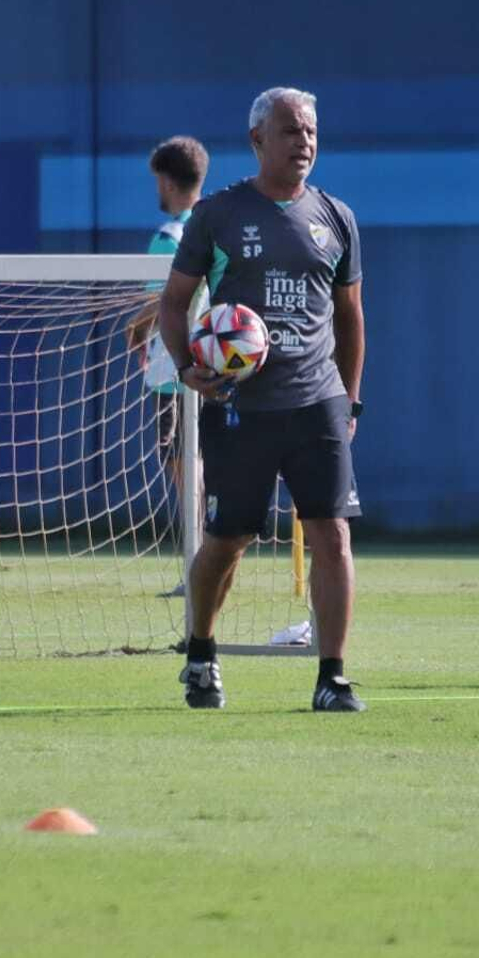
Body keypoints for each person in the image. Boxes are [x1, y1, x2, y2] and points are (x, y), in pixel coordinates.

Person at [156, 87, 366, 712]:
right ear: (257, 140)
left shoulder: (337, 217)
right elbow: (174, 303)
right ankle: (200, 654)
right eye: (290, 131)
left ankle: (332, 677)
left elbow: (350, 316)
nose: (304, 142)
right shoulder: (218, 214)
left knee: (332, 534)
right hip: (239, 407)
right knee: (228, 539)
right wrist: (187, 367)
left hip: (318, 402)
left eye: (311, 131)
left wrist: (350, 402)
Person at [124, 136, 210, 598]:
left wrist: (134, 329)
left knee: (184, 469)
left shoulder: (170, 236)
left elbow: (162, 301)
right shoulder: (215, 226)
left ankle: (199, 566)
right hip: (217, 362)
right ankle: (210, 560)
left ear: (166, 181)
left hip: (173, 368)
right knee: (201, 467)